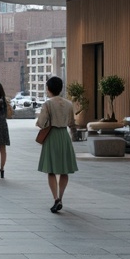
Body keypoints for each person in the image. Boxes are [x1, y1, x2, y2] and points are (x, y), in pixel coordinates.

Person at [36, 76, 78, 213]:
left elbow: (41, 123)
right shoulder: (69, 104)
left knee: (52, 170)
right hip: (64, 136)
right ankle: (61, 196)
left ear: (48, 88)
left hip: (52, 136)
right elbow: (72, 123)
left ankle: (56, 199)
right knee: (64, 170)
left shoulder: (47, 104)